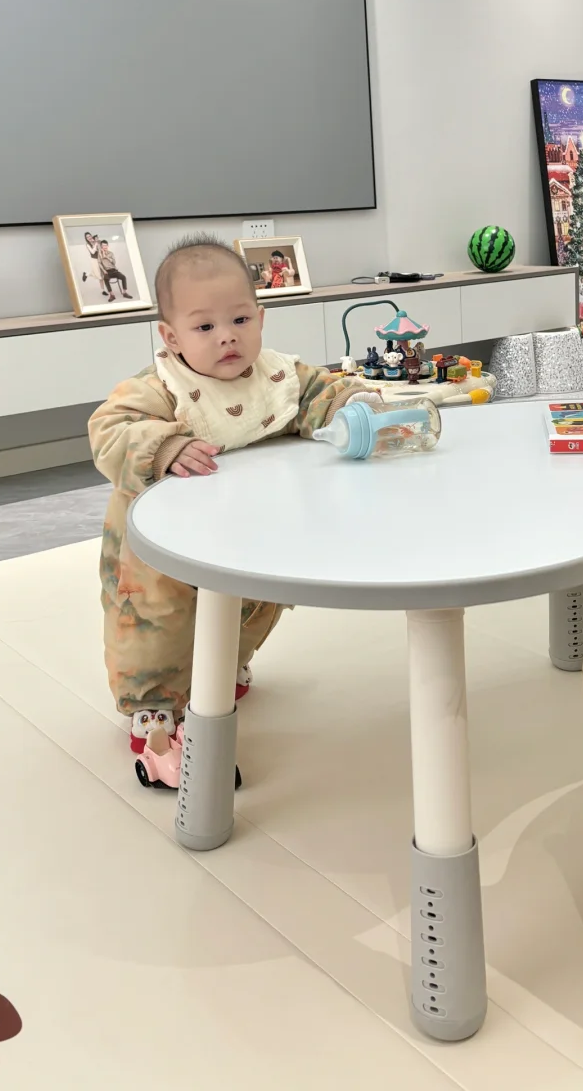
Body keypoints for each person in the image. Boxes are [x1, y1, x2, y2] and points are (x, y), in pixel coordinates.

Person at [88, 234, 371, 775]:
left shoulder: (278, 376)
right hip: (159, 549)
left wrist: (352, 404)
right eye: (204, 327)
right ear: (171, 337)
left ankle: (225, 664)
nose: (227, 337)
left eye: (240, 320)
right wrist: (163, 447)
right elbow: (109, 430)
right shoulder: (160, 388)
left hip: (249, 528)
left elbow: (320, 393)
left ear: (260, 319)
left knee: (254, 603)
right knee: (157, 621)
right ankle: (153, 703)